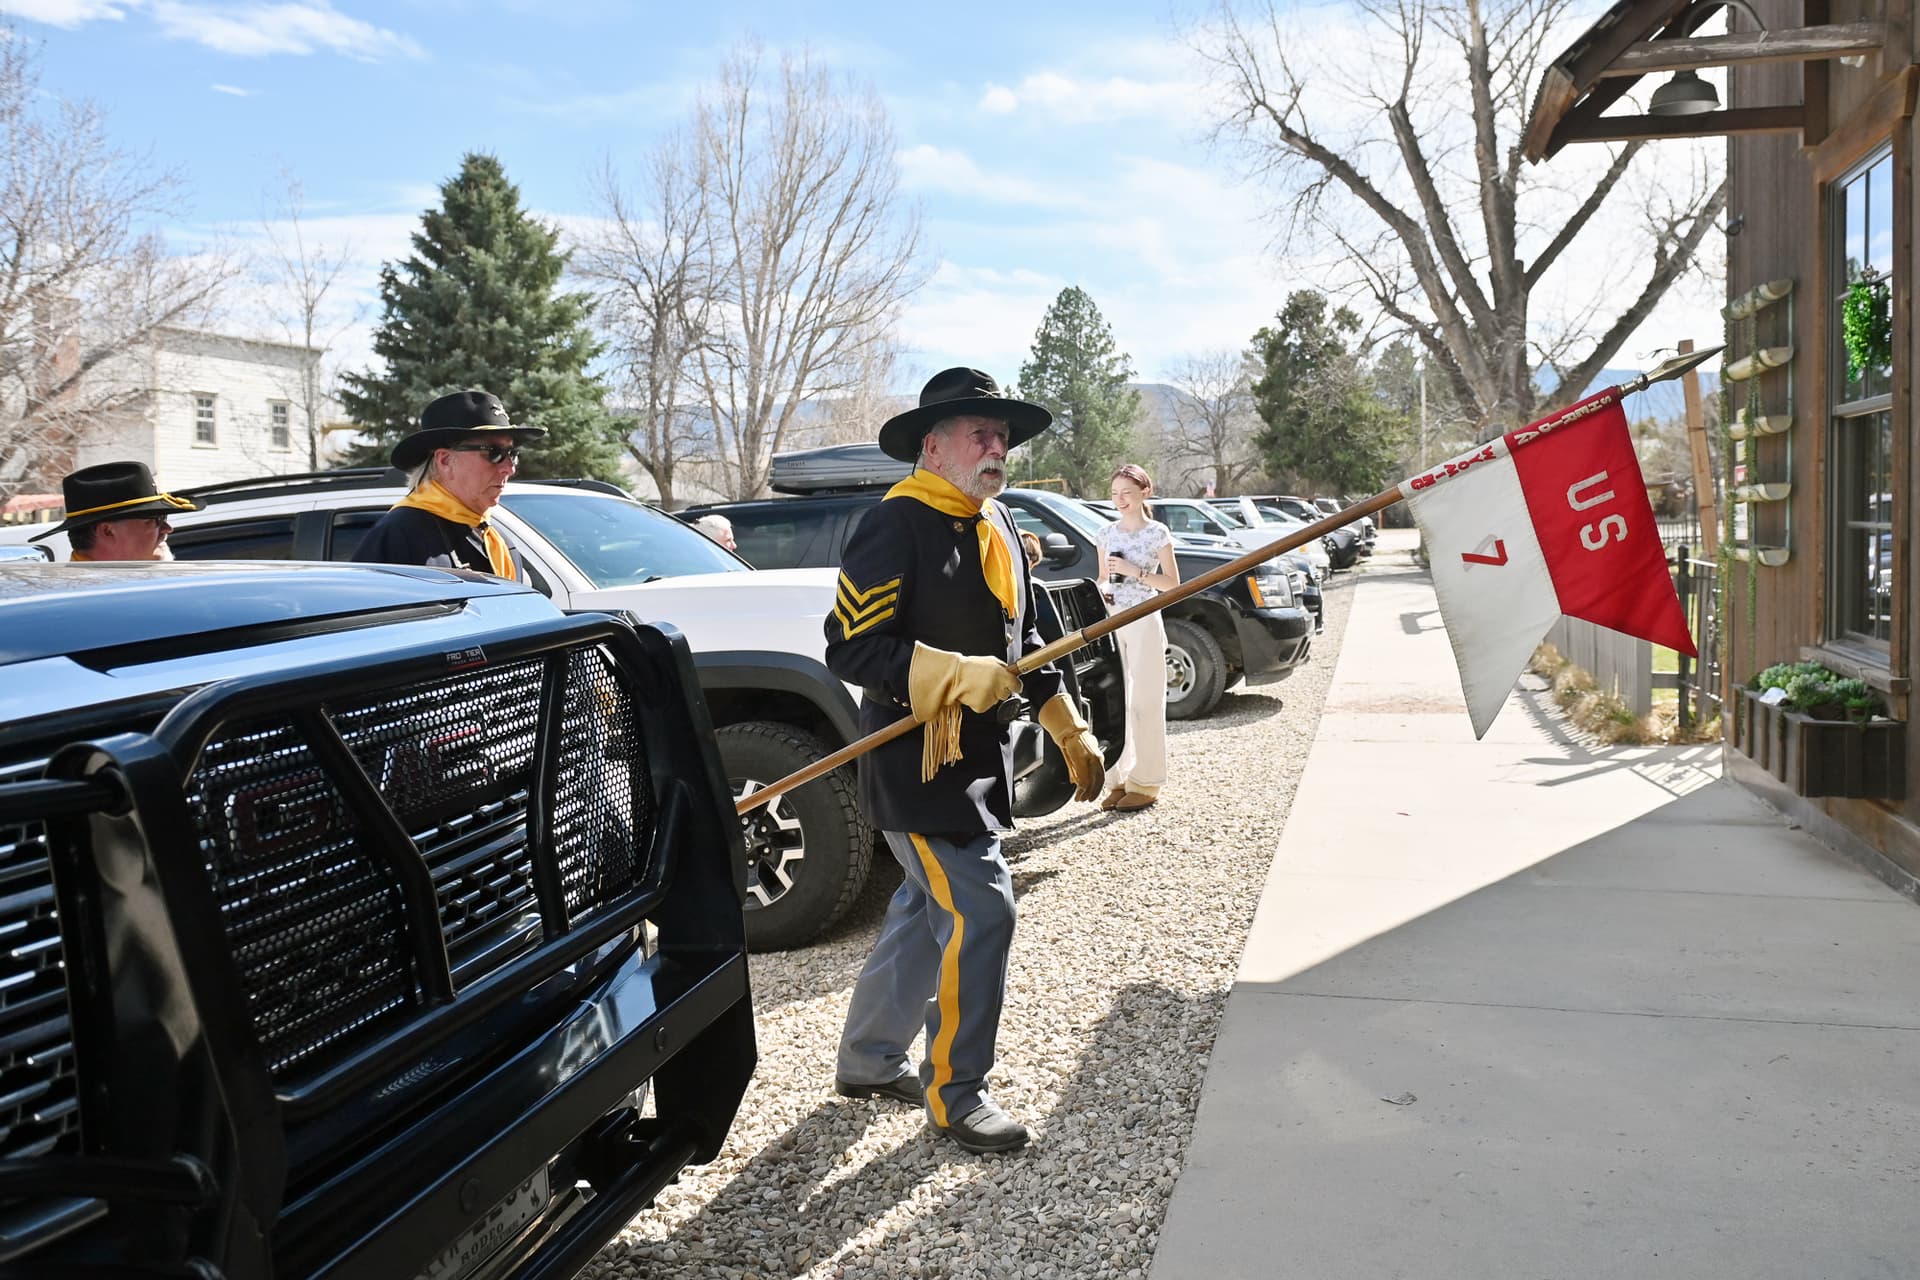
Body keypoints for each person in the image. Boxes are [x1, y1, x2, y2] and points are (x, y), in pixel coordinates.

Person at [826, 366, 1104, 1155]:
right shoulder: (897, 524)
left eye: (1003, 436)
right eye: (981, 434)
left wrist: (1066, 724)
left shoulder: (1001, 527)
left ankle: (870, 1060)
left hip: (982, 762)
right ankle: (958, 1092)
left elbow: (1028, 647)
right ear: (933, 444)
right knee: (983, 911)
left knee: (925, 914)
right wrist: (950, 672)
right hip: (917, 768)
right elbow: (851, 646)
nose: (997, 448)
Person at [352, 390, 546, 581]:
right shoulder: (399, 535)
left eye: (512, 454)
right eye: (494, 452)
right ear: (445, 460)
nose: (509, 468)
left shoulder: (498, 542)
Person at [1096, 463, 1179, 813]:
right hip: (1113, 621)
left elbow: (1173, 584)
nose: (1120, 500)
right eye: (1115, 494)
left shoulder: (1157, 533)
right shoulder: (1106, 534)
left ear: (1145, 492)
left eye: (1126, 493)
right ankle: (1117, 779)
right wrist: (1104, 589)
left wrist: (1137, 573)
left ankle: (1146, 782)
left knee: (1145, 699)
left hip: (1144, 620)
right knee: (1117, 701)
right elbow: (1101, 578)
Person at [31, 460, 202, 561]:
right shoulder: (82, 601)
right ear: (107, 531)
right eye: (154, 519)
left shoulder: (119, 589)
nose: (167, 529)